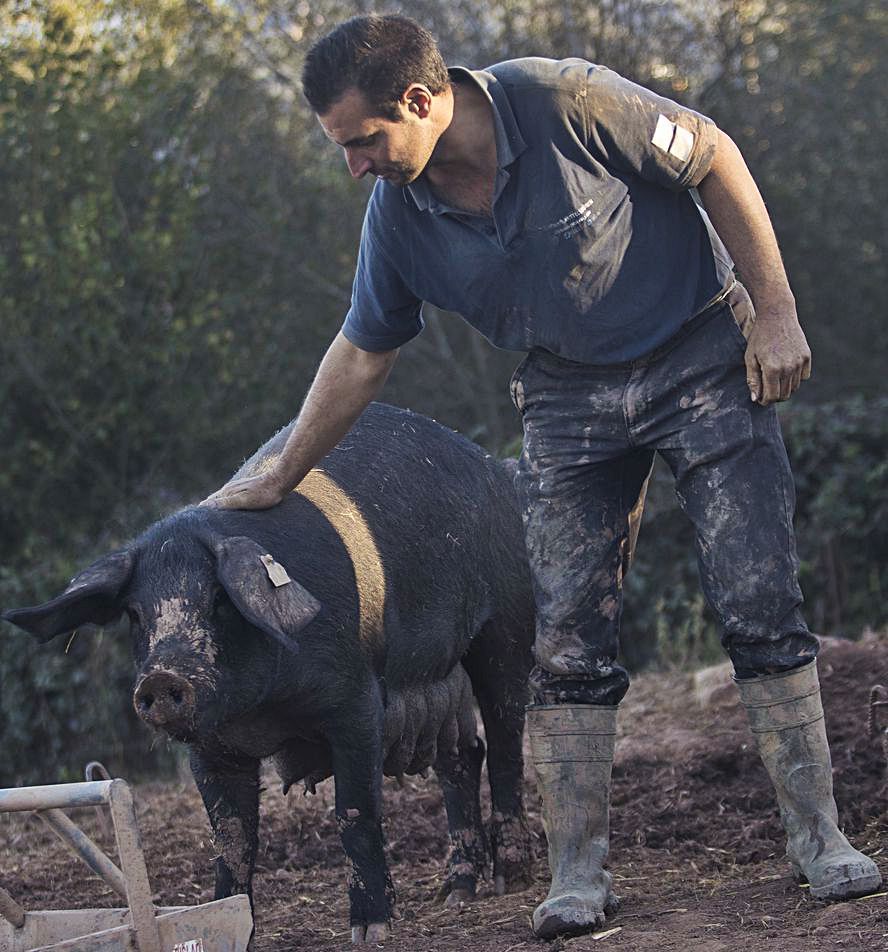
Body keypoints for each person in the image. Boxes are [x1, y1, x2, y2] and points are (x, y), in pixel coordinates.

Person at [203, 13, 881, 939]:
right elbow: (363, 353)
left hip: (700, 357)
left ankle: (821, 841)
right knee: (564, 636)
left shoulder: (567, 101)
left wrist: (776, 311)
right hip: (565, 398)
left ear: (419, 100)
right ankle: (578, 873)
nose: (355, 165)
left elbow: (714, 155)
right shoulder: (396, 220)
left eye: (363, 141)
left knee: (758, 600)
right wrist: (280, 473)